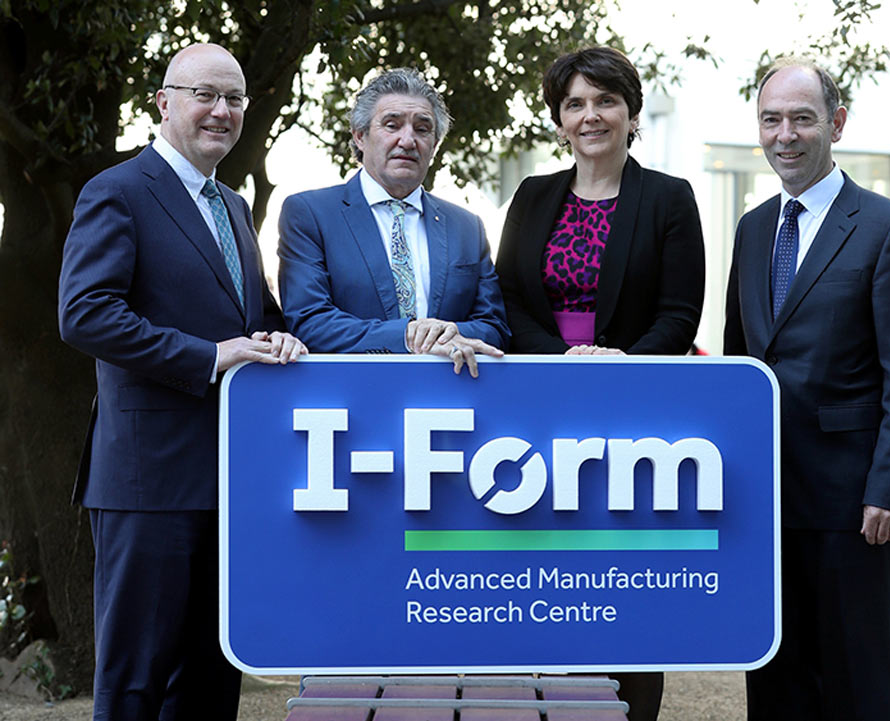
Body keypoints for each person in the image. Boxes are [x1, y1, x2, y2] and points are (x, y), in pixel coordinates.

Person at [58, 44, 306, 720]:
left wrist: (279, 333)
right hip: (148, 480)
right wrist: (209, 356)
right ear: (163, 102)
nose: (221, 111)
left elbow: (249, 315)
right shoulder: (117, 189)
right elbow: (84, 313)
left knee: (208, 679)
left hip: (229, 482)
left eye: (233, 99)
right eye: (205, 94)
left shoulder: (230, 204)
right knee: (137, 680)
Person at [495, 46, 706, 720]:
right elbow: (507, 303)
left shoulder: (670, 199)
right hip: (544, 413)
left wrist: (621, 366)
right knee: (554, 586)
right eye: (576, 104)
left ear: (631, 112)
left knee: (629, 591)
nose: (591, 116)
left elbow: (679, 312)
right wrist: (562, 362)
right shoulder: (531, 196)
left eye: (605, 101)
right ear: (559, 120)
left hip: (635, 422)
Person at [724, 56, 890, 720]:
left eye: (802, 118)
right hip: (768, 505)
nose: (785, 134)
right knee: (779, 684)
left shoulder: (887, 228)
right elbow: (740, 362)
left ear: (836, 123)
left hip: (854, 510)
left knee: (860, 685)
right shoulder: (753, 227)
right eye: (771, 119)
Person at [278, 68, 509, 377]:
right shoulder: (309, 213)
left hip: (450, 398)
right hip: (349, 400)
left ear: (435, 144)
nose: (408, 139)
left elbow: (495, 326)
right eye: (392, 125)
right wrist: (408, 336)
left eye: (423, 129)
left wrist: (452, 332)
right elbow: (310, 321)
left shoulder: (467, 226)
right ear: (360, 136)